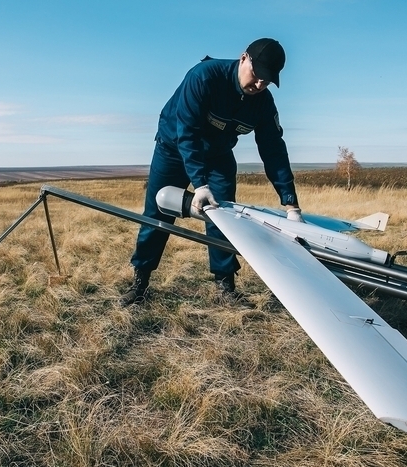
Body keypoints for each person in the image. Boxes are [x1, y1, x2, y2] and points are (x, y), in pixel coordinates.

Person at [121, 38, 303, 307]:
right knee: (157, 214)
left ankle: (224, 286)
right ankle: (140, 282)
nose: (258, 85)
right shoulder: (204, 77)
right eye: (256, 75)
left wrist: (290, 203)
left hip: (218, 156)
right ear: (244, 58)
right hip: (174, 148)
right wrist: (200, 184)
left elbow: (273, 149)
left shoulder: (263, 103)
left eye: (266, 81)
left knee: (224, 217)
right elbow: (187, 133)